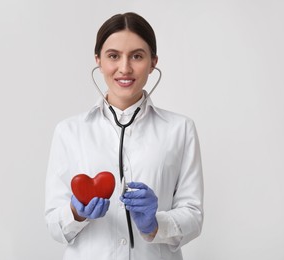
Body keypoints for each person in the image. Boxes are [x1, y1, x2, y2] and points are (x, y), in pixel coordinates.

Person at [45, 12, 204, 260]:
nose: (125, 68)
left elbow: (193, 216)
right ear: (98, 60)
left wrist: (155, 223)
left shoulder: (180, 129)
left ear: (153, 62)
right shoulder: (69, 131)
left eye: (137, 56)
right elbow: (54, 224)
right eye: (113, 56)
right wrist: (76, 213)